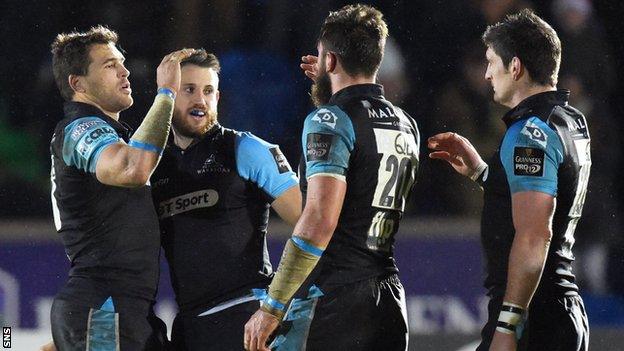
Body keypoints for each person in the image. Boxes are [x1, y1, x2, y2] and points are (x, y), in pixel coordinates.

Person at [244, 4, 420, 351]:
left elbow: (321, 219)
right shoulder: (405, 123)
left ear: (331, 61)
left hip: (334, 296)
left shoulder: (330, 119)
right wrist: (333, 89)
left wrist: (273, 305)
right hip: (387, 298)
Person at [428, 10, 590, 351]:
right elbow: (543, 203)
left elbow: (534, 235)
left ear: (514, 67)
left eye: (491, 62)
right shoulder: (569, 121)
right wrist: (484, 174)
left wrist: (507, 324)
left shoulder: (529, 133)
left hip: (535, 315)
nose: (487, 74)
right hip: (560, 306)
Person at [48, 25, 196, 350]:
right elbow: (133, 168)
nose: (125, 71)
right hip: (104, 305)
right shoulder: (77, 128)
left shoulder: (109, 135)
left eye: (122, 62)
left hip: (128, 309)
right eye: (109, 65)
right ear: (78, 83)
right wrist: (167, 94)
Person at [149, 50, 301, 350]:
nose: (200, 100)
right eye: (188, 90)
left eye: (208, 91)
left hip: (248, 319)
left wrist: (278, 303)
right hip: (190, 329)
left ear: (218, 97)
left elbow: (310, 226)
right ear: (166, 97)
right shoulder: (152, 166)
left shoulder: (246, 149)